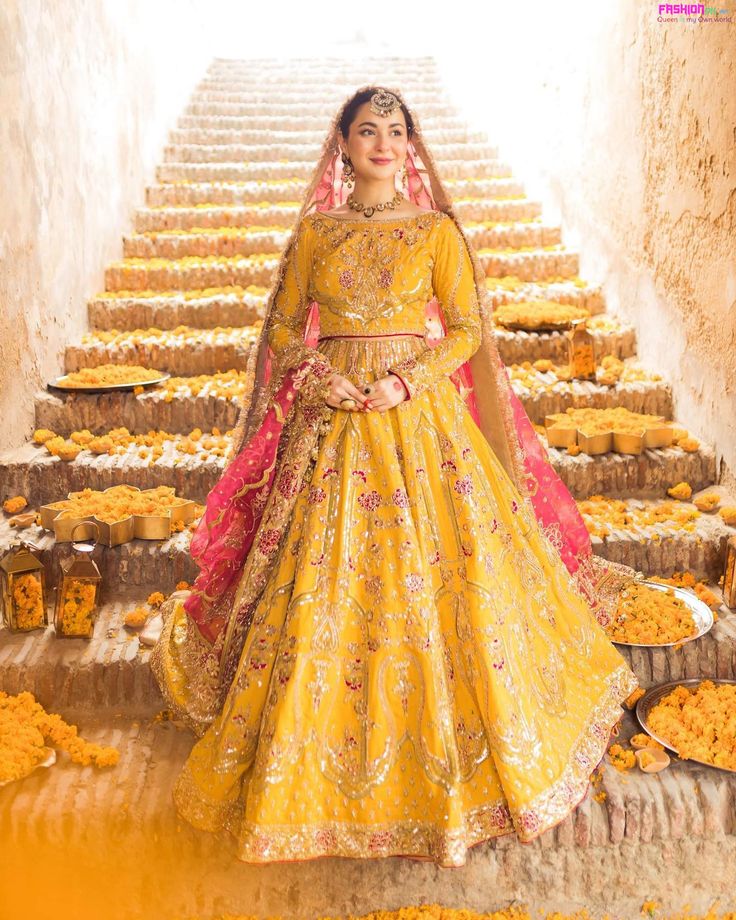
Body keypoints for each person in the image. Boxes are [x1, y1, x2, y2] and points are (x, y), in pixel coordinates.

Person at [151, 85, 641, 867]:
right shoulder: (318, 233)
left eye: (397, 131)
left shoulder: (436, 231)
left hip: (417, 422)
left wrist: (407, 381)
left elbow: (470, 328)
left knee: (454, 580)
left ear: (411, 144)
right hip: (333, 424)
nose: (384, 142)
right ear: (342, 144)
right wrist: (315, 375)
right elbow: (282, 328)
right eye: (368, 130)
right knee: (318, 583)